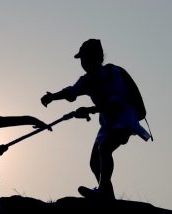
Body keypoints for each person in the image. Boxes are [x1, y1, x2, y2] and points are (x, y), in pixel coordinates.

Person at [41, 38, 151, 200]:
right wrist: (53, 97)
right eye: (81, 60)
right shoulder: (86, 80)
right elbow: (72, 92)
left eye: (85, 58)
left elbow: (117, 101)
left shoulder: (113, 73)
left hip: (125, 119)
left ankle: (104, 191)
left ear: (96, 58)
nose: (83, 63)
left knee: (105, 149)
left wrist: (90, 109)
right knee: (94, 162)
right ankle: (107, 195)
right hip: (108, 124)